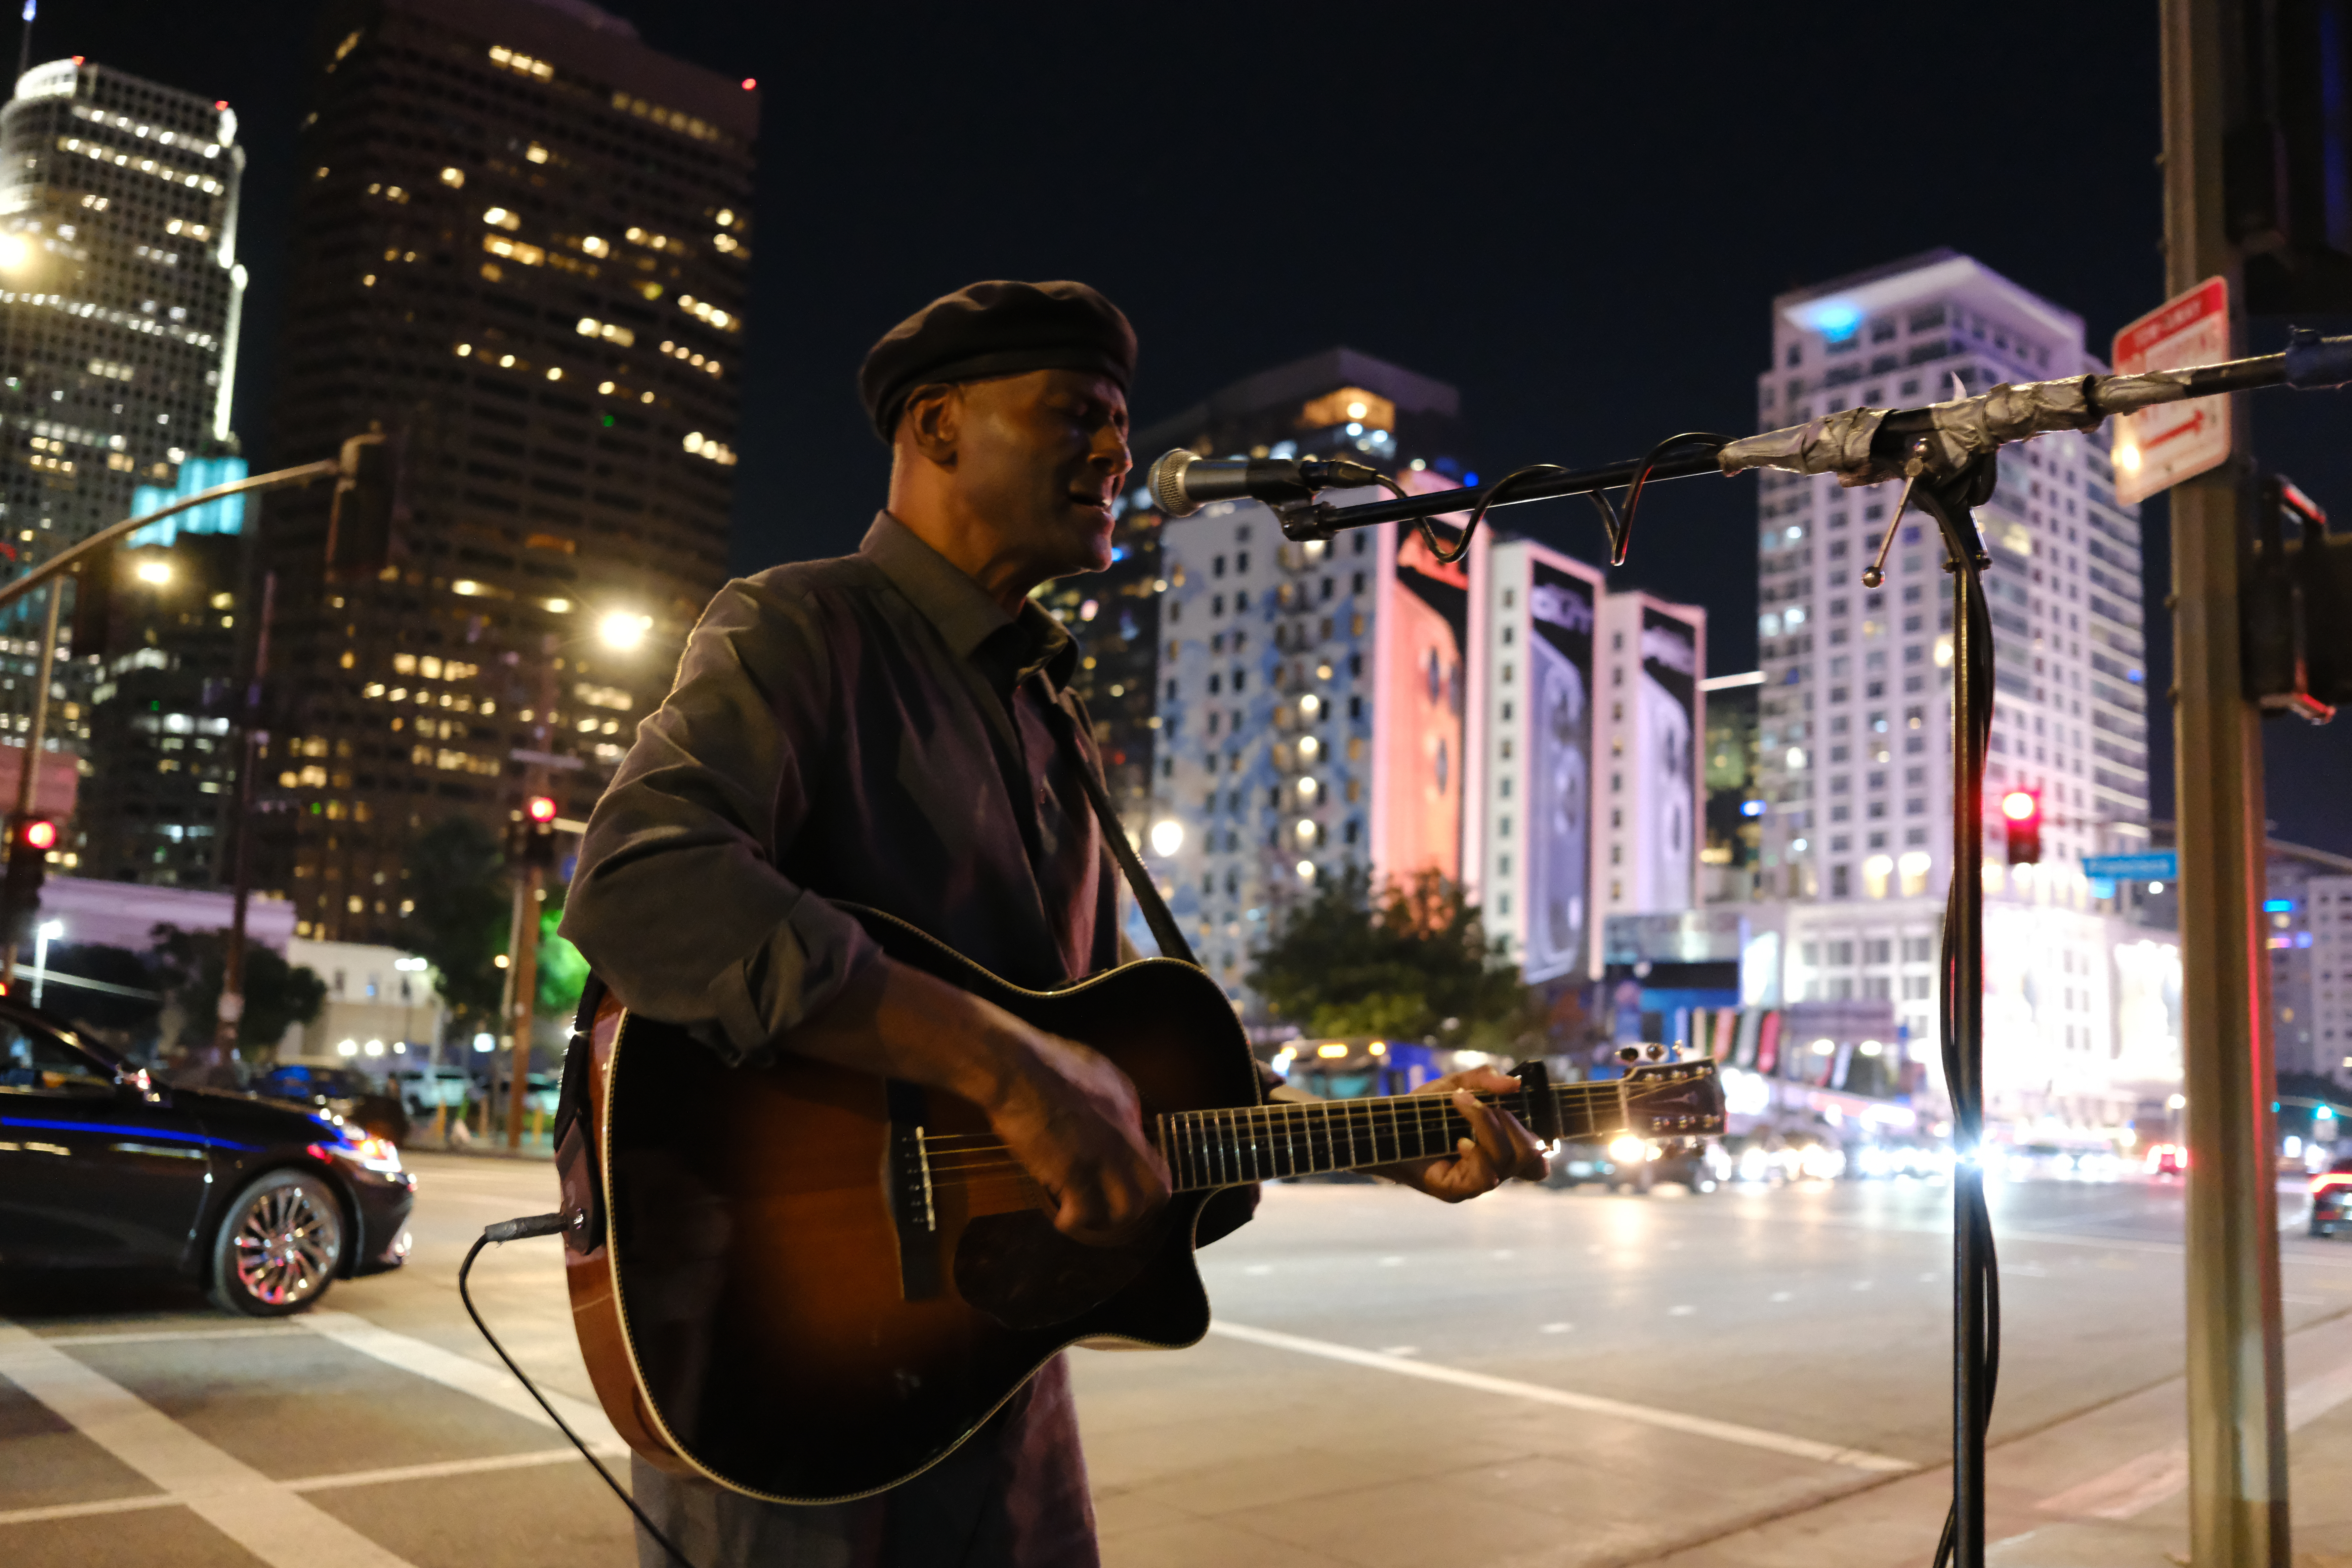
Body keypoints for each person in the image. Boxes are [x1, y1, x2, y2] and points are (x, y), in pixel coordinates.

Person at [559, 280, 1547, 1568]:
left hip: (1004, 1411)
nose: (1117, 455)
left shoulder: (1052, 715)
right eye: (1076, 415)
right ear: (940, 424)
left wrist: (1388, 1139)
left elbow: (1119, 1066)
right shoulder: (801, 628)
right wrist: (1011, 1071)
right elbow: (641, 881)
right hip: (796, 1405)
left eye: (1123, 429)